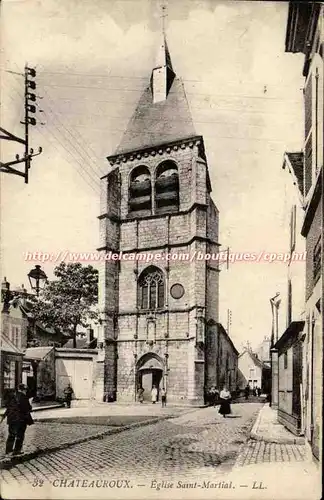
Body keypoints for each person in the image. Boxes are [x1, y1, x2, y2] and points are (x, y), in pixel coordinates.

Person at [1, 383, 34, 456]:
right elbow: (27, 409)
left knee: (11, 434)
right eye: (25, 390)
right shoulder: (24, 397)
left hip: (11, 419)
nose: (25, 391)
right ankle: (17, 450)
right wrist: (30, 403)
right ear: (23, 390)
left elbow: (8, 408)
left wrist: (4, 416)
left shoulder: (13, 396)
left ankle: (8, 450)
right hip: (20, 420)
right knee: (20, 435)